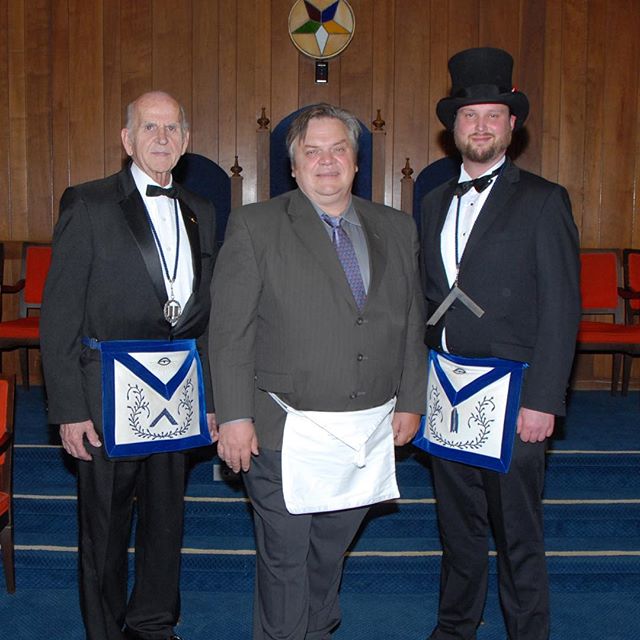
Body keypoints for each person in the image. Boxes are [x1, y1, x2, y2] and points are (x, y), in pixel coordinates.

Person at [210, 103, 426, 639]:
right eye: (313, 151)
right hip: (282, 430)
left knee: (329, 554)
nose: (326, 161)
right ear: (294, 165)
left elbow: (412, 324)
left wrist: (411, 400)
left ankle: (318, 629)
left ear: (356, 162)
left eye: (338, 150)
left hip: (365, 431)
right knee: (285, 562)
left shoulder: (397, 229)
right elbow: (230, 330)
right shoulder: (255, 226)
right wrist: (234, 416)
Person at [40, 91, 217, 640]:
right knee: (105, 528)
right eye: (149, 128)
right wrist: (69, 408)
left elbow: (204, 314)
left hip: (177, 393)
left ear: (186, 142)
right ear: (127, 140)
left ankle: (154, 623)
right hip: (104, 395)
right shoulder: (88, 204)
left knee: (167, 522)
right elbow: (60, 314)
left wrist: (212, 400)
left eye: (172, 130)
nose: (161, 139)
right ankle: (106, 630)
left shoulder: (203, 211)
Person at [419, 47, 581, 640]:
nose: (480, 126)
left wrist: (545, 399)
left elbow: (564, 307)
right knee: (456, 530)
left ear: (512, 125)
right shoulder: (432, 202)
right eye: (469, 116)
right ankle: (454, 628)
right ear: (453, 127)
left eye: (493, 115)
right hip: (447, 393)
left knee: (517, 535)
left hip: (516, 399)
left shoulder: (543, 200)